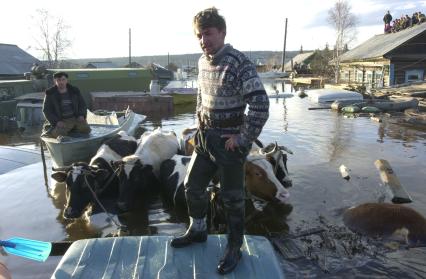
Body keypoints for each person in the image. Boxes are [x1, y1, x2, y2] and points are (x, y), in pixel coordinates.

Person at [170, 7, 269, 275]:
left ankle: (234, 246)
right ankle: (198, 230)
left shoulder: (238, 62)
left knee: (233, 199)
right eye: (199, 36)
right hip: (205, 139)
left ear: (222, 32)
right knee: (192, 186)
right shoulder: (203, 62)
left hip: (229, 143)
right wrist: (198, 125)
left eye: (209, 34)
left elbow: (260, 104)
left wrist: (243, 138)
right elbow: (201, 96)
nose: (204, 41)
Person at [42, 72, 90, 138]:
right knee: (59, 135)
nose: (61, 82)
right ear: (55, 81)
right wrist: (57, 121)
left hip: (76, 118)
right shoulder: (50, 94)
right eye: (58, 80)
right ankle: (52, 131)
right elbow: (46, 110)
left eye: (63, 79)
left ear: (66, 80)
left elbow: (82, 105)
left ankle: (73, 130)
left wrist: (81, 115)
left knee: (86, 130)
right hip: (62, 120)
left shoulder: (74, 91)